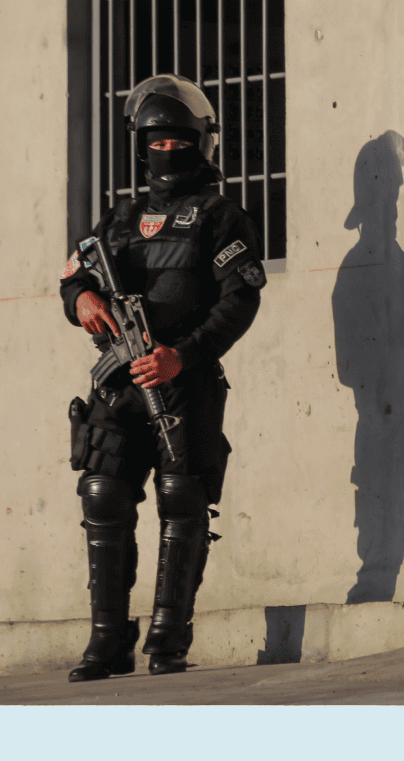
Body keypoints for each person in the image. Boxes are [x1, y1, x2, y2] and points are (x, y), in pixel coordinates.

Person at [59, 73, 265, 679]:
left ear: (200, 142)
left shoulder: (222, 217)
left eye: (178, 139)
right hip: (120, 385)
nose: (166, 150)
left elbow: (240, 300)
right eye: (156, 140)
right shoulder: (119, 220)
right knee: (103, 493)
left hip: (184, 382)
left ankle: (167, 639)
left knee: (183, 499)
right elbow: (76, 274)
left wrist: (184, 353)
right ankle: (106, 640)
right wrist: (80, 302)